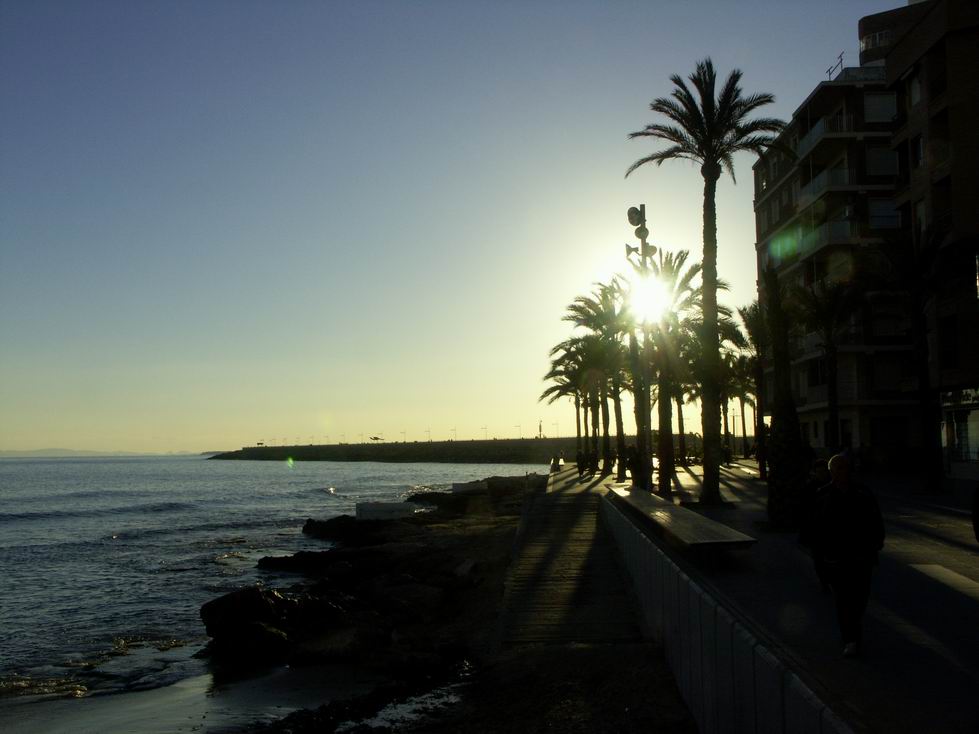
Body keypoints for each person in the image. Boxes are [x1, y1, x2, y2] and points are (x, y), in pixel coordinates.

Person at [809, 453, 885, 657]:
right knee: (843, 601)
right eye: (838, 468)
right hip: (836, 560)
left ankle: (853, 632)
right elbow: (815, 529)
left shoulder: (863, 493)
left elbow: (875, 520)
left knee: (860, 599)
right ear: (831, 472)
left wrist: (876, 543)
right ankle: (851, 639)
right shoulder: (822, 496)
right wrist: (820, 561)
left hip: (861, 557)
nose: (842, 472)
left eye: (845, 468)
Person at [798, 458, 832, 592]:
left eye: (824, 471)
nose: (822, 474)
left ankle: (827, 578)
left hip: (828, 529)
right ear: (815, 472)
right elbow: (804, 509)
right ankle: (824, 580)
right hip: (816, 529)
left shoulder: (832, 486)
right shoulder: (810, 488)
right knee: (819, 557)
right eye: (820, 471)